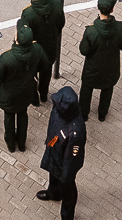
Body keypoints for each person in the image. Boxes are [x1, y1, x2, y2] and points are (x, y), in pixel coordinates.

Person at [0, 22, 47, 152]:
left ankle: (11, 144)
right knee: (23, 114)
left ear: (16, 38)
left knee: (9, 116)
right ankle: (22, 143)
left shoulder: (7, 57)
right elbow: (44, 65)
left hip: (9, 94)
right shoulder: (37, 49)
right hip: (27, 91)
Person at [76, 0, 122, 121]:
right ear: (112, 10)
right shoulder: (121, 27)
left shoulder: (91, 31)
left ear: (98, 8)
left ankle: (84, 114)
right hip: (111, 68)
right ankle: (102, 114)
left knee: (86, 89)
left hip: (92, 69)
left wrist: (84, 39)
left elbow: (84, 51)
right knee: (107, 89)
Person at [36, 88, 85, 217]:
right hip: (54, 152)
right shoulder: (59, 109)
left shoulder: (75, 132)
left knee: (68, 189)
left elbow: (73, 158)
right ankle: (54, 193)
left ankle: (67, 215)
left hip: (65, 164)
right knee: (53, 175)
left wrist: (66, 176)